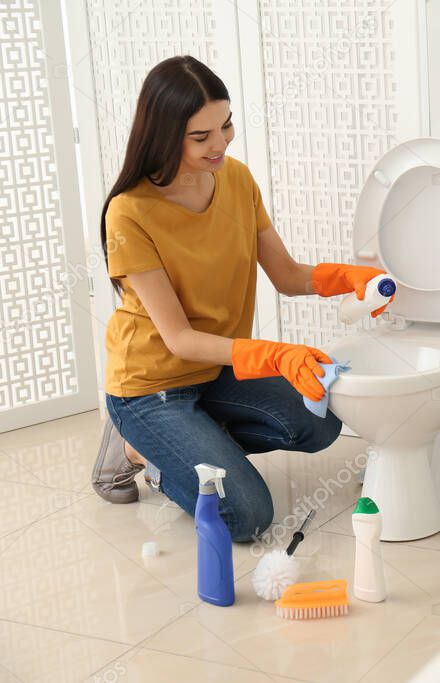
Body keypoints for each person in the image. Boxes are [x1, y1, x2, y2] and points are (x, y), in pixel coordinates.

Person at [91, 55, 393, 542]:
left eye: (226, 125)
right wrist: (276, 354)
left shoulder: (236, 180)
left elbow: (288, 275)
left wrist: (350, 278)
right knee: (246, 517)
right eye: (201, 136)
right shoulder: (130, 213)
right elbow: (181, 340)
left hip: (216, 372)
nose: (221, 143)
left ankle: (187, 445)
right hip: (150, 386)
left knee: (319, 425)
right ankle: (138, 447)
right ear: (164, 135)